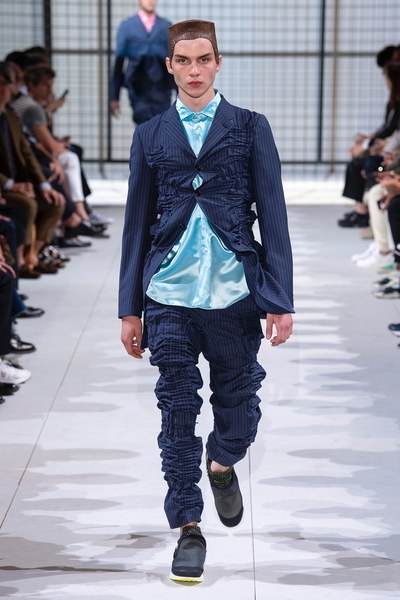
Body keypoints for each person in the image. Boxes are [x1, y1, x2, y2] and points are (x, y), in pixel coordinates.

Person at [119, 20, 294, 582]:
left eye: (203, 60)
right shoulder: (150, 134)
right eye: (183, 61)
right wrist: (129, 307)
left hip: (235, 292)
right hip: (167, 292)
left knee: (238, 411)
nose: (193, 71)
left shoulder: (250, 127)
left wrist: (280, 298)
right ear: (169, 66)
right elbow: (135, 224)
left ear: (218, 62)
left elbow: (274, 215)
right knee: (176, 409)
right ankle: (188, 528)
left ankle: (222, 463)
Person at [110, 0, 175, 124]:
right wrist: (114, 96)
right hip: (138, 90)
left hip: (162, 89)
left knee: (163, 126)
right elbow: (119, 62)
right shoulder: (127, 27)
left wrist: (181, 94)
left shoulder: (166, 27)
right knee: (144, 128)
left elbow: (174, 61)